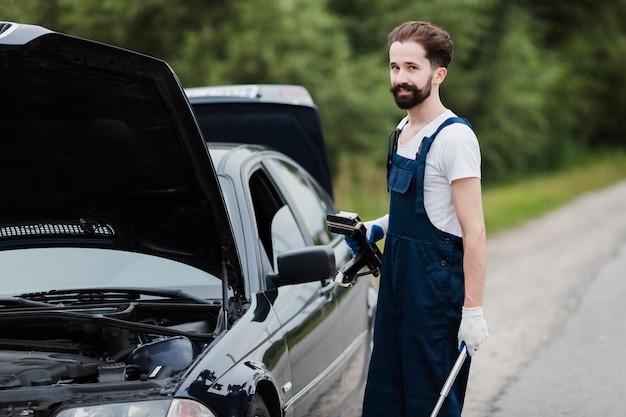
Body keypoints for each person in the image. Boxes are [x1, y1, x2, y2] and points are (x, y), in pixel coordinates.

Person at [344, 21, 489, 417]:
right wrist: (376, 227)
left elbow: (473, 230)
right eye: (394, 67)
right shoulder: (402, 130)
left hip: (434, 296)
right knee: (386, 397)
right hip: (395, 288)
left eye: (412, 68)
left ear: (438, 74)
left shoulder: (455, 139)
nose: (400, 78)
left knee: (430, 404)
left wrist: (472, 310)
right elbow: (418, 209)